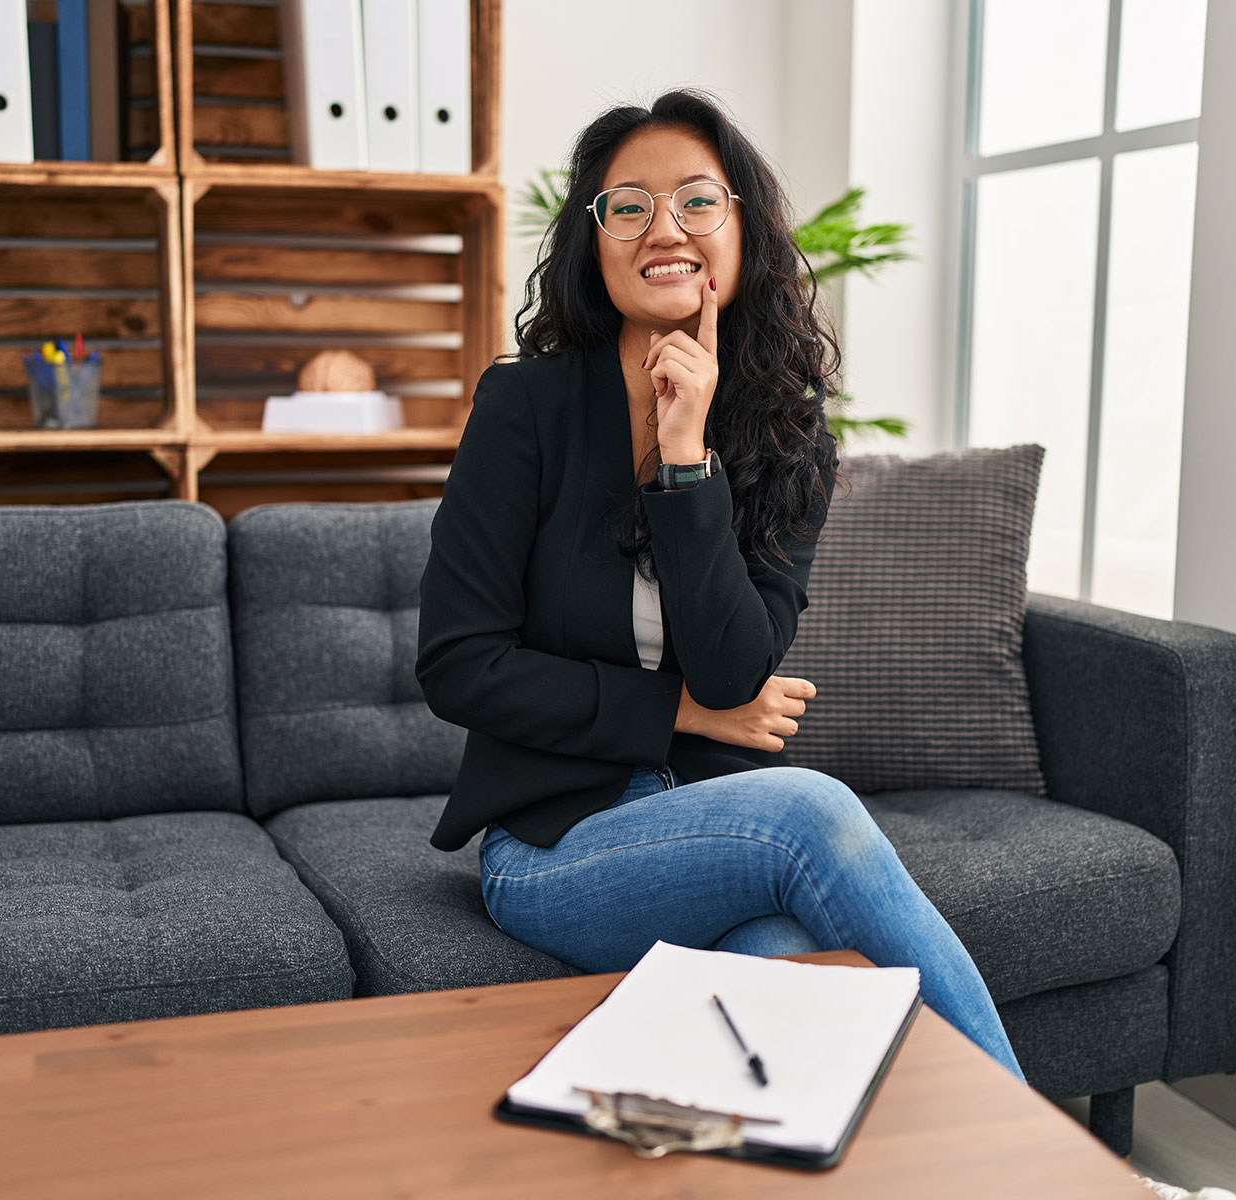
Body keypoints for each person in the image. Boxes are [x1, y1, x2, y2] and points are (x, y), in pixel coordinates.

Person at [414, 86, 1025, 1085]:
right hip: (554, 848)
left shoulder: (789, 440)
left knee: (791, 987)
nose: (666, 228)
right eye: (628, 205)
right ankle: (1053, 1170)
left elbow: (740, 664)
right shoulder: (523, 407)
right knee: (812, 814)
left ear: (744, 229)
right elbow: (459, 665)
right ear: (593, 237)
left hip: (705, 828)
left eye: (698, 200)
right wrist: (679, 710)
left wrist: (688, 455)